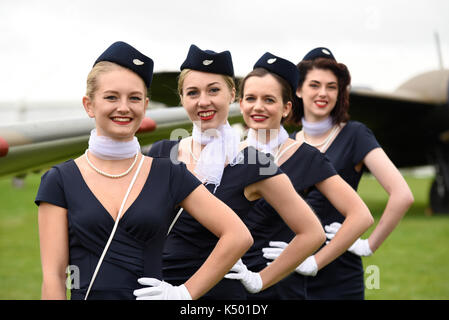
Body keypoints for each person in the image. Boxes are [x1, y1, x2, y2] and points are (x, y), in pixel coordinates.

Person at [35, 41, 254, 300]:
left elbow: (238, 235)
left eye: (135, 98)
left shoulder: (169, 173)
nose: (124, 107)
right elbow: (54, 277)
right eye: (111, 97)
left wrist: (184, 292)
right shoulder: (59, 180)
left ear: (145, 105)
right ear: (89, 105)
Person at [144, 44, 325, 300]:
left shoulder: (253, 162)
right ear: (182, 98)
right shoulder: (162, 152)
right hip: (154, 290)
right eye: (192, 92)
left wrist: (259, 279)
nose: (203, 101)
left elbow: (312, 233)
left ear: (231, 94)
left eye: (214, 90)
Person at [233, 52, 373, 300]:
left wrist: (315, 261)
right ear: (241, 103)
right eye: (251, 98)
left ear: (286, 108)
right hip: (230, 285)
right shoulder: (228, 154)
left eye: (269, 100)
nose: (258, 107)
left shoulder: (306, 157)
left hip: (281, 287)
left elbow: (360, 216)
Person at [277, 47, 414, 299]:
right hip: (288, 271)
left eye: (331, 86)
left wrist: (368, 245)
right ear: (298, 89)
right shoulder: (288, 142)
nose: (323, 93)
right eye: (315, 84)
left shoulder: (356, 135)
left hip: (339, 276)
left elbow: (402, 195)